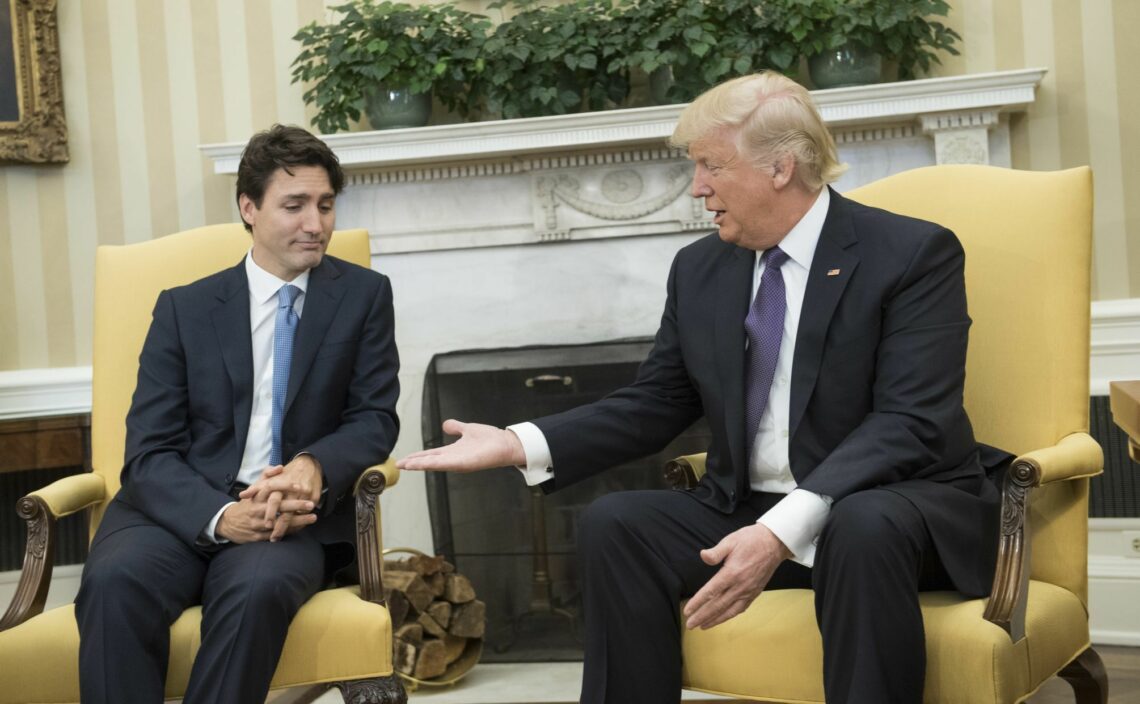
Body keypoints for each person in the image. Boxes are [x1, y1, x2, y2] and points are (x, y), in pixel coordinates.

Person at [399, 71, 1009, 704]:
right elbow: (658, 400)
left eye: (711, 166)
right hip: (751, 504)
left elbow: (909, 421)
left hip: (894, 506)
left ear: (781, 167)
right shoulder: (701, 268)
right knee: (618, 523)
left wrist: (779, 532)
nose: (698, 189)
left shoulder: (911, 254)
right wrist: (518, 443)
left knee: (860, 521)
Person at [74, 124, 400, 704]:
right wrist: (220, 515)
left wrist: (313, 465)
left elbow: (375, 417)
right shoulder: (184, 309)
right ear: (248, 208)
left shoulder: (364, 296)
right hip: (174, 513)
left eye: (326, 205)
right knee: (114, 582)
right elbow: (148, 451)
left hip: (288, 519)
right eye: (294, 205)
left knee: (256, 592)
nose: (316, 223)